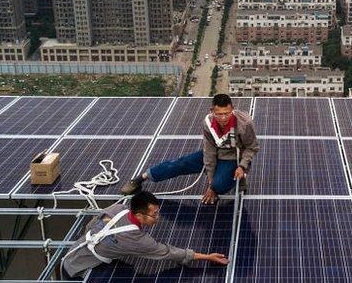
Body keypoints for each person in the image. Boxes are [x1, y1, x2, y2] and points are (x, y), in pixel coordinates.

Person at [121, 93, 259, 204]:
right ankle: (141, 178)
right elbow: (209, 151)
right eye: (219, 114)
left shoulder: (244, 123)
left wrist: (242, 166)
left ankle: (236, 179)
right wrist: (210, 179)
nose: (223, 118)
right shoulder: (208, 124)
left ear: (232, 109)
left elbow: (252, 147)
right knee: (181, 163)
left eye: (227, 113)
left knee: (219, 186)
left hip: (233, 159)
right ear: (212, 111)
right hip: (215, 155)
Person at [59, 191, 227, 279]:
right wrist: (207, 257)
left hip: (70, 255)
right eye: (154, 214)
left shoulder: (117, 209)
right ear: (139, 215)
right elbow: (168, 252)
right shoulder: (136, 240)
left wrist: (109, 246)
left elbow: (90, 225)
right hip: (79, 271)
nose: (158, 217)